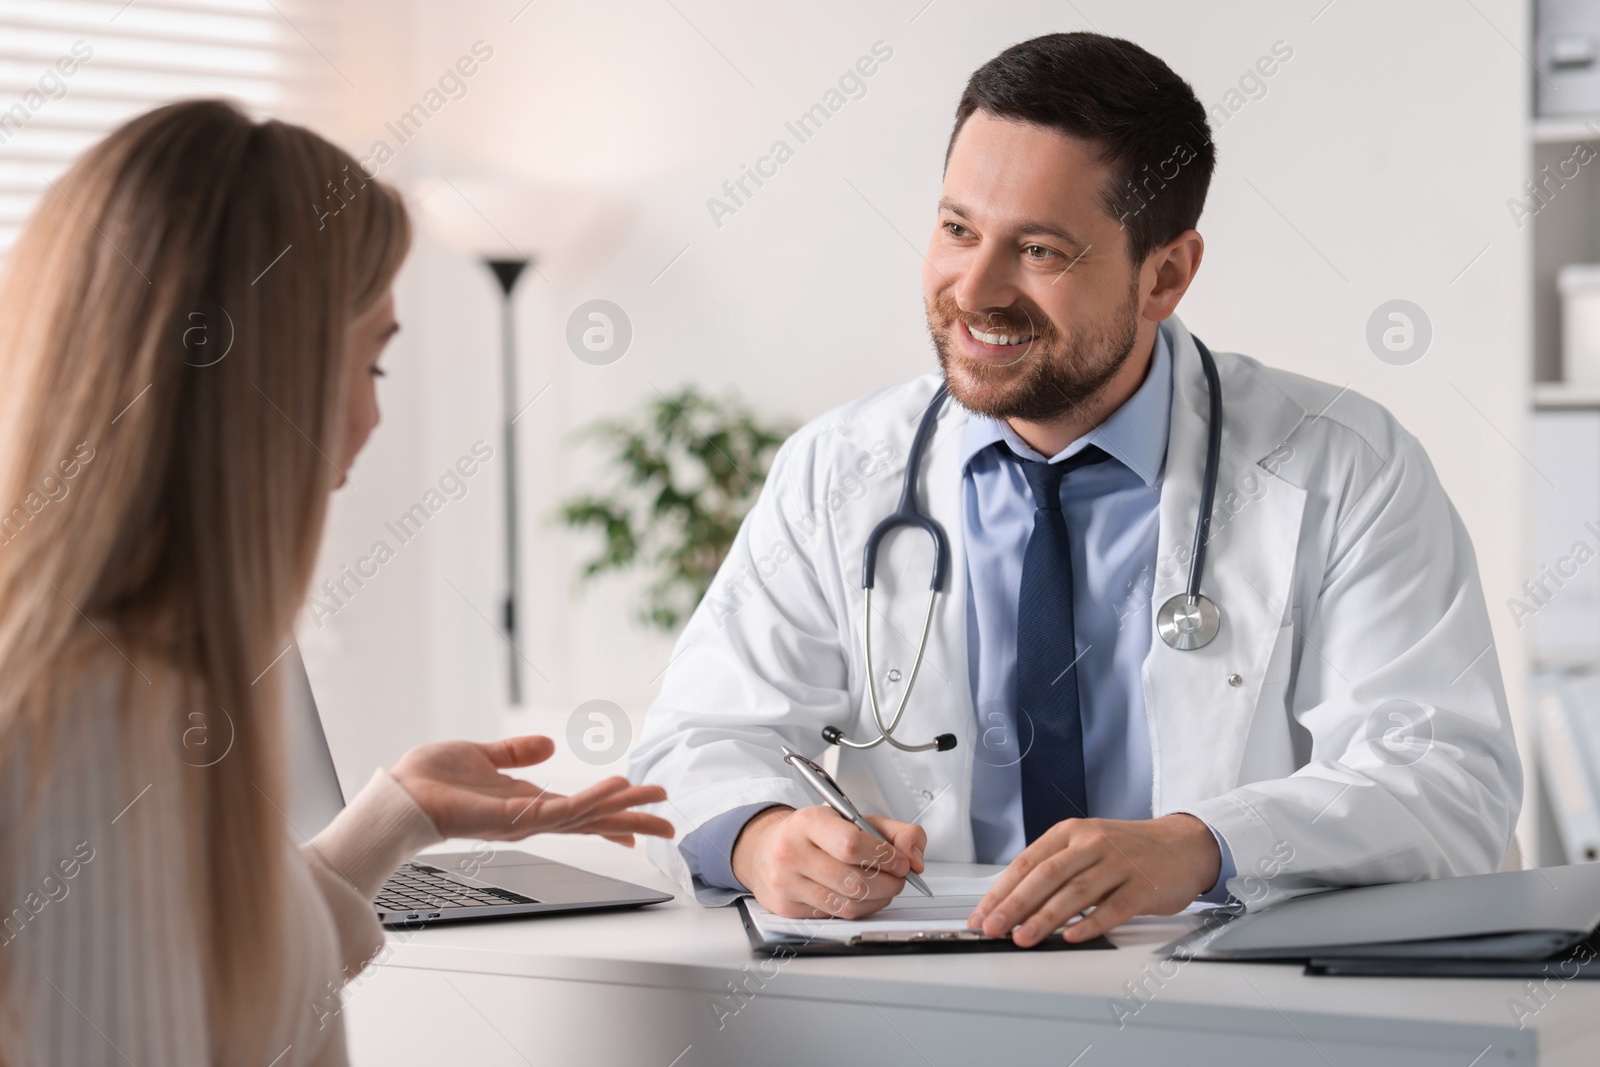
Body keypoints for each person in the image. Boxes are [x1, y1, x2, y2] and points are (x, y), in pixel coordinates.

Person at [628, 32, 1521, 947]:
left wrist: (1201, 846)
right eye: (957, 229)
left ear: (1165, 274)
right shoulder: (838, 469)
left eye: (1041, 250)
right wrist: (762, 838)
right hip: (921, 995)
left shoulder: (1344, 465)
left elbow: (1447, 776)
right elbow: (692, 745)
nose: (975, 289)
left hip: (1229, 1003)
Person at [0, 99, 672, 1065]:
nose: (371, 416)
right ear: (261, 379)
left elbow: (210, 966)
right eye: (374, 362)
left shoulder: (132, 683)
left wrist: (398, 815)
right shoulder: (97, 736)